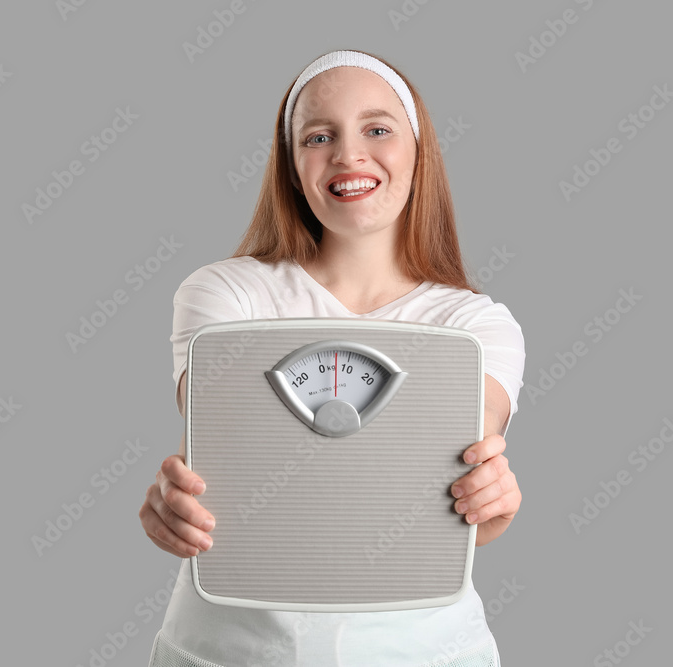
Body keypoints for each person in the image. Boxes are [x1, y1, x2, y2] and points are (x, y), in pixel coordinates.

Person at [140, 49, 525, 667]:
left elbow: (446, 500)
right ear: (294, 169)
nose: (349, 154)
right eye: (319, 137)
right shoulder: (222, 293)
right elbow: (224, 449)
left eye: (377, 129)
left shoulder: (478, 325)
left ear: (418, 153)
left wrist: (491, 505)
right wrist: (178, 503)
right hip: (228, 650)